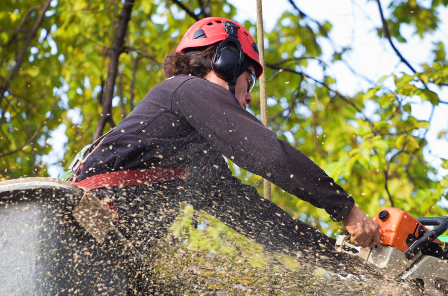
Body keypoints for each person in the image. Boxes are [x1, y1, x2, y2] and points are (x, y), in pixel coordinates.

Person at [69, 17, 380, 252]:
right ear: (226, 62)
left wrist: (334, 254)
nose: (248, 98)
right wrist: (346, 208)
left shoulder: (196, 157)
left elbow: (254, 217)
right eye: (250, 80)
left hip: (99, 248)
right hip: (80, 226)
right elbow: (269, 154)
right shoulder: (187, 90)